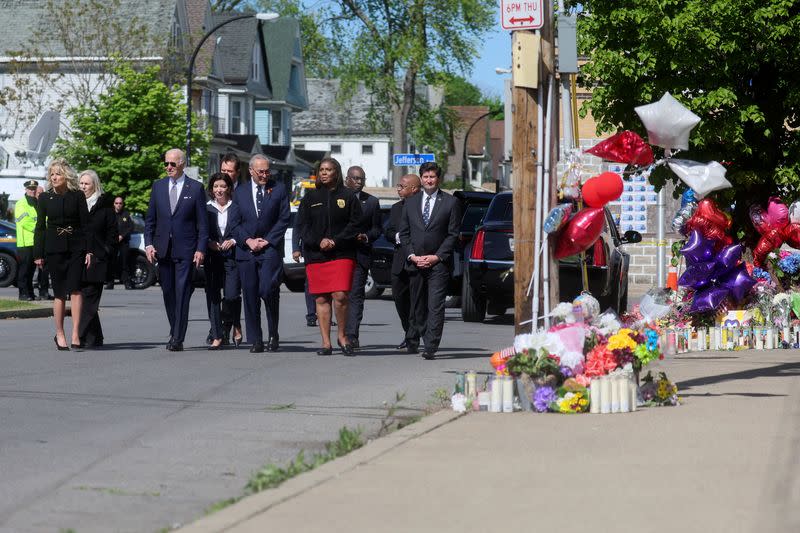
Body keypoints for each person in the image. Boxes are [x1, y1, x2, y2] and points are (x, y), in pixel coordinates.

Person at [144, 148, 208, 352]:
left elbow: (203, 224)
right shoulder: (158, 187)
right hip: (163, 249)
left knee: (182, 293)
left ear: (182, 164)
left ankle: (178, 337)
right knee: (168, 292)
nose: (168, 167)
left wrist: (200, 249)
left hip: (186, 250)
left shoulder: (195, 188)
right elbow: (150, 220)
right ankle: (175, 329)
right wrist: (149, 243)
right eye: (166, 164)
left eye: (172, 164)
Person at [297, 157, 362, 356]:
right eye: (322, 169)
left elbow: (355, 224)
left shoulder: (349, 196)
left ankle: (342, 336)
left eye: (329, 169)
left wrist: (334, 241)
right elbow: (302, 226)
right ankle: (326, 343)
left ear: (337, 172)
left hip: (342, 252)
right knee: (322, 298)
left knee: (340, 295)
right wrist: (319, 242)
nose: (324, 173)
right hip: (316, 254)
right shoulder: (310, 197)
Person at [398, 162, 461, 360]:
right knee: (417, 305)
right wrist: (412, 255)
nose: (429, 180)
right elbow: (404, 233)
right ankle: (415, 338)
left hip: (438, 264)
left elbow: (452, 234)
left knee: (435, 305)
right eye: (425, 177)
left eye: (432, 177)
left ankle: (431, 345)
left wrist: (437, 256)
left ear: (438, 179)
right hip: (415, 261)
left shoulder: (450, 203)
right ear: (421, 178)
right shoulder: (410, 202)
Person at [230, 154, 289, 353]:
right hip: (247, 251)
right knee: (250, 294)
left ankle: (274, 332)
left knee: (267, 289)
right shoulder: (240, 192)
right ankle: (256, 339)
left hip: (270, 249)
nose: (265, 175)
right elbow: (234, 223)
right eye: (261, 171)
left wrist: (268, 240)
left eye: (267, 171)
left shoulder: (278, 189)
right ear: (251, 171)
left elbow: (284, 218)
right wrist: (248, 240)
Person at [33, 158, 92, 350]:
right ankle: (60, 334)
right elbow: (40, 227)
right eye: (52, 174)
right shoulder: (45, 198)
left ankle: (76, 332)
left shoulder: (77, 196)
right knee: (59, 292)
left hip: (76, 247)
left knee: (75, 289)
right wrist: (38, 253)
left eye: (58, 173)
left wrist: (88, 250)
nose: (54, 177)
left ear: (66, 176)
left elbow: (86, 225)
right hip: (54, 248)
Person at [77, 170, 117, 348]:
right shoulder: (77, 204)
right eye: (81, 183)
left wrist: (104, 252)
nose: (83, 187)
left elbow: (112, 235)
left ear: (95, 185)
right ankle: (95, 337)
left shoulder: (105, 207)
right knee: (84, 298)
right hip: (79, 259)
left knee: (89, 299)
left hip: (98, 260)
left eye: (87, 184)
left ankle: (77, 335)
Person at [344, 166, 382, 349]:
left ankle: (352, 335)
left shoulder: (372, 202)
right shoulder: (336, 198)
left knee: (356, 295)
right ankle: (338, 333)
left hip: (360, 255)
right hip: (338, 255)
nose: (359, 182)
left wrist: (366, 237)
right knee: (338, 296)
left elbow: (377, 228)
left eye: (362, 179)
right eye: (356, 178)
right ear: (347, 179)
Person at [204, 172, 243, 350]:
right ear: (211, 189)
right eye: (216, 187)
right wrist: (208, 243)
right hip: (212, 257)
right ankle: (217, 335)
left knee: (232, 295)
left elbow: (243, 228)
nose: (219, 190)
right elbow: (200, 231)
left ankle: (235, 322)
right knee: (213, 297)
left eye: (222, 186)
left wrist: (234, 240)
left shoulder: (236, 207)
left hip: (231, 257)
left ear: (228, 188)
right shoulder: (206, 208)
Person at [385, 173, 420, 350]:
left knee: (416, 301)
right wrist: (398, 236)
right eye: (398, 186)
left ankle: (413, 338)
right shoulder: (396, 208)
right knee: (400, 298)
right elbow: (389, 231)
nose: (398, 189)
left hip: (417, 260)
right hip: (399, 260)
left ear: (414, 188)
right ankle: (409, 332)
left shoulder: (422, 206)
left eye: (402, 186)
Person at [212, 153, 243, 342]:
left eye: (229, 171)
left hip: (237, 253)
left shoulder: (242, 194)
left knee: (232, 293)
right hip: (215, 254)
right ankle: (224, 328)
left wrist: (236, 240)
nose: (225, 174)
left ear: (237, 173)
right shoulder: (214, 193)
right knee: (217, 293)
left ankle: (228, 326)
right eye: (223, 170)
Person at [291, 203, 318, 327]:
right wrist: (296, 248)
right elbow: (297, 226)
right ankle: (312, 314)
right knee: (311, 282)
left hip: (330, 247)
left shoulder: (333, 197)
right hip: (309, 249)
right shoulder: (308, 200)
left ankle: (325, 313)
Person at [14, 180, 39, 301]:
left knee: (31, 270)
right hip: (25, 243)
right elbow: (24, 221)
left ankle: (30, 292)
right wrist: (38, 229)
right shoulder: (21, 203)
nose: (32, 190)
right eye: (30, 188)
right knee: (24, 270)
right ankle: (23, 293)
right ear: (26, 189)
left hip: (35, 242)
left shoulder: (36, 203)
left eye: (34, 188)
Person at [34, 185, 54, 300]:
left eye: (42, 193)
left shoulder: (46, 203)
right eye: (38, 193)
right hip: (34, 240)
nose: (40, 195)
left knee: (45, 269)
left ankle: (44, 291)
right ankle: (35, 291)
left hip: (46, 240)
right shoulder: (32, 205)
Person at [111, 196, 134, 290]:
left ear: (122, 204)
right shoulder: (110, 214)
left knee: (125, 262)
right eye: (116, 203)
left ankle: (127, 282)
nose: (118, 205)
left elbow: (131, 227)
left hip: (123, 242)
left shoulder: (126, 214)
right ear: (114, 204)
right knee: (111, 262)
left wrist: (122, 236)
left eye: (120, 203)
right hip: (112, 242)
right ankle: (110, 282)